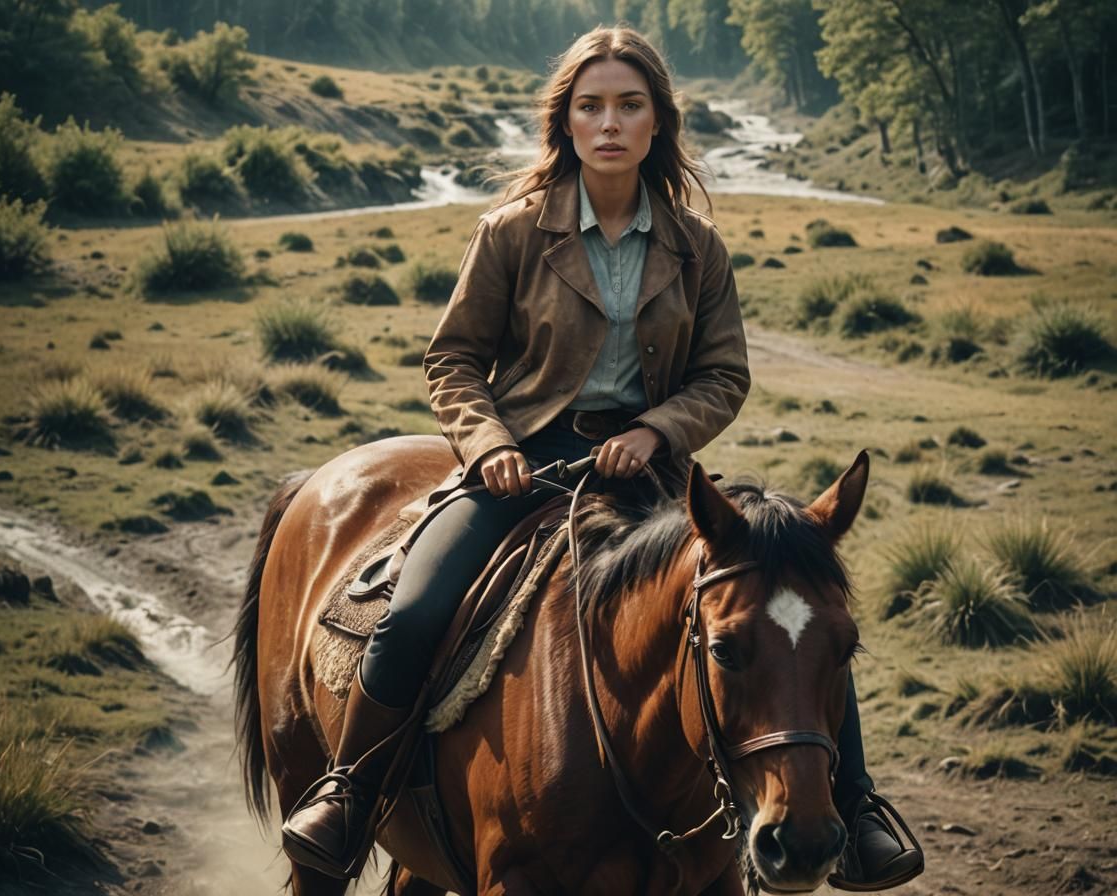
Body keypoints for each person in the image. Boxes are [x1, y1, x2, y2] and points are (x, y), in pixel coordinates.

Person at [280, 25, 922, 891]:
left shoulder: (698, 246)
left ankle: (857, 805)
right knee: (413, 610)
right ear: (566, 124)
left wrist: (658, 431)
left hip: (654, 472)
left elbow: (724, 372)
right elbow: (453, 360)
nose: (610, 122)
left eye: (630, 105)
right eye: (591, 107)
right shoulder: (511, 232)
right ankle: (350, 793)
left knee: (789, 606)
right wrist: (489, 442)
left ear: (657, 123)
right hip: (525, 466)